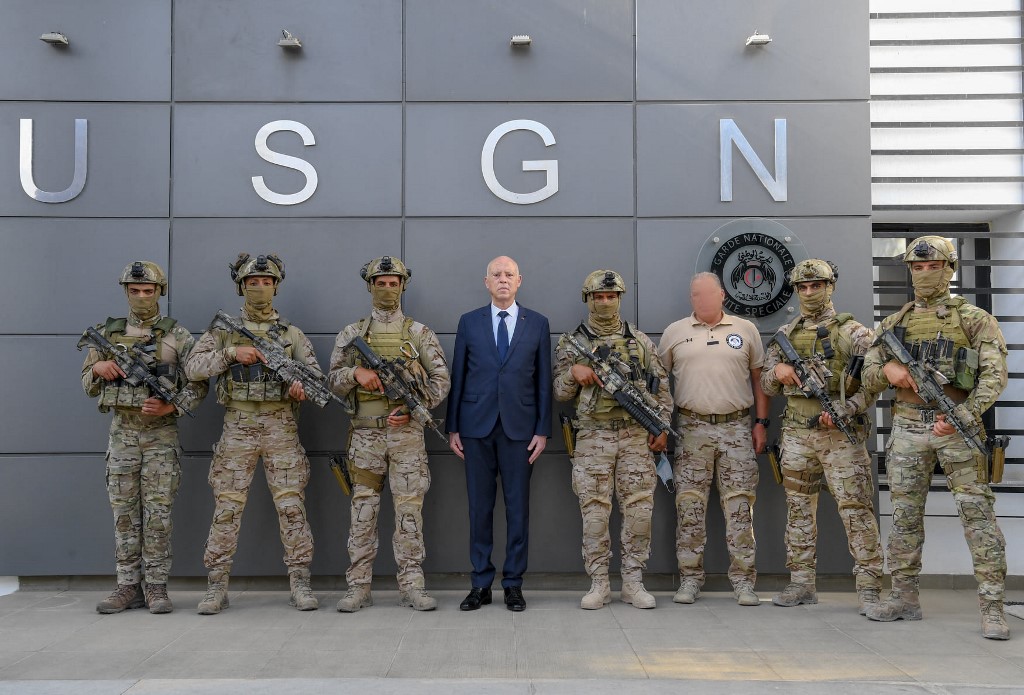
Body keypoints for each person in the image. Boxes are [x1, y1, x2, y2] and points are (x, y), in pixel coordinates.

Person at [862, 236, 1010, 640]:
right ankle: (904, 598)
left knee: (977, 516)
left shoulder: (975, 319)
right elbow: (867, 373)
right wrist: (888, 371)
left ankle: (993, 607)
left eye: (933, 266)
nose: (925, 274)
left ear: (950, 269)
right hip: (908, 427)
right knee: (904, 518)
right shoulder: (893, 324)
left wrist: (962, 415)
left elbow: (995, 376)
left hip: (957, 427)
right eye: (917, 267)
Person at [185, 253, 320, 614]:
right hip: (238, 428)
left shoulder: (292, 334)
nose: (260, 287)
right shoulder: (223, 331)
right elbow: (193, 367)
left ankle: (300, 581)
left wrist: (301, 390)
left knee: (291, 507)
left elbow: (316, 379)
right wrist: (231, 353)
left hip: (281, 428)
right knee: (227, 508)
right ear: (241, 286)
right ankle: (216, 585)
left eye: (266, 282)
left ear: (276, 286)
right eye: (252, 282)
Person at [82, 261, 208, 615]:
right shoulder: (107, 334)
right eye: (134, 290)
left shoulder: (177, 336)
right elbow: (87, 385)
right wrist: (97, 368)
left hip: (160, 437)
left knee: (158, 515)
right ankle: (127, 587)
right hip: (122, 435)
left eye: (148, 291)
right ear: (126, 291)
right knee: (124, 514)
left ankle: (156, 587)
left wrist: (172, 406)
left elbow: (199, 385)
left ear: (159, 292)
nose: (141, 297)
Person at [760, 259, 883, 614]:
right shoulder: (785, 334)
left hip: (840, 437)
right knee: (798, 509)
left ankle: (870, 589)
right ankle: (801, 583)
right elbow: (766, 384)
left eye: (817, 285)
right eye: (803, 287)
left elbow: (874, 384)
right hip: (797, 435)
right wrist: (779, 371)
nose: (810, 292)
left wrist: (848, 408)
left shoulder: (855, 333)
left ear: (831, 287)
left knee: (856, 509)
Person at [328, 256, 450, 612]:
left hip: (406, 437)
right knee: (362, 512)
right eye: (380, 283)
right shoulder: (352, 334)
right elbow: (331, 380)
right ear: (370, 286)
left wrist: (412, 408)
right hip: (365, 436)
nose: (386, 289)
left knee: (409, 513)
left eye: (393, 283)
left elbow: (441, 380)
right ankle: (358, 587)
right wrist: (355, 375)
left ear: (402, 286)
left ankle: (412, 586)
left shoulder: (419, 333)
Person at [553, 270, 671, 609]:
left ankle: (633, 582)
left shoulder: (641, 341)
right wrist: (573, 373)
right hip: (593, 437)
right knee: (594, 513)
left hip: (635, 437)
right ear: (588, 300)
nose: (605, 302)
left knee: (639, 511)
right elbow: (560, 392)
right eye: (599, 297)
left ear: (619, 298)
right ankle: (599, 583)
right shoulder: (572, 343)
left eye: (611, 296)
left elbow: (661, 389)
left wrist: (662, 427)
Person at [447, 256, 552, 612]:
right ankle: (480, 584)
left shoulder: (537, 323)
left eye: (509, 274)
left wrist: (542, 430)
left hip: (520, 431)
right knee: (479, 509)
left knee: (517, 510)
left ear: (519, 281)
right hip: (475, 429)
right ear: (486, 282)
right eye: (497, 274)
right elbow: (459, 375)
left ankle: (513, 584)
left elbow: (543, 381)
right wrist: (453, 426)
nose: (503, 279)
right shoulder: (469, 322)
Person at [658, 272, 769, 606]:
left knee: (740, 506)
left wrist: (761, 423)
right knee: (689, 506)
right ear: (690, 298)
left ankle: (744, 582)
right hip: (691, 429)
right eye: (696, 295)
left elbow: (759, 380)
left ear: (722, 295)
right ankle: (690, 579)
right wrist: (660, 425)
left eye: (708, 294)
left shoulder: (745, 330)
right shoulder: (674, 332)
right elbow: (658, 383)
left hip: (737, 428)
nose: (702, 299)